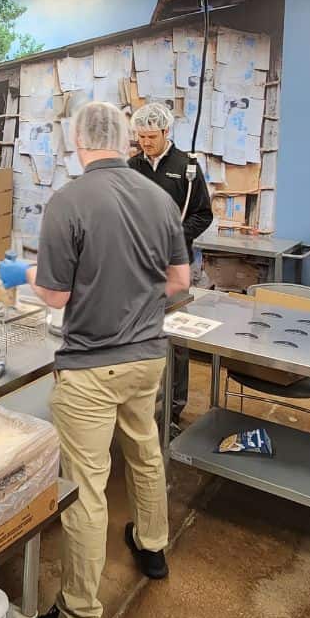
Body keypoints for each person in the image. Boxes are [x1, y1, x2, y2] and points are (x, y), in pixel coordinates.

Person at [0, 102, 190, 618]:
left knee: (86, 487)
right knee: (146, 452)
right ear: (127, 139)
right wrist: (133, 295)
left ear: (77, 141)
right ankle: (152, 546)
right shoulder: (159, 197)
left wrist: (26, 275)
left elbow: (57, 297)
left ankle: (79, 607)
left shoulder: (69, 200)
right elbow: (179, 283)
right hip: (148, 357)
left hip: (91, 366)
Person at [127, 102, 212, 430]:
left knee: (174, 339)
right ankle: (139, 403)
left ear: (166, 132)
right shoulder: (133, 165)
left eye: (151, 136)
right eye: (140, 137)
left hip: (174, 267)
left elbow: (203, 213)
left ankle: (174, 410)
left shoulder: (186, 167)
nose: (145, 142)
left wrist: (176, 236)